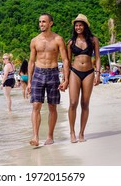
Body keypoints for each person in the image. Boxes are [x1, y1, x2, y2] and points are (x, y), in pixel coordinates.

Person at [27, 13, 70, 146]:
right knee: (36, 105)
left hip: (53, 73)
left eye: (44, 21)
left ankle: (50, 136)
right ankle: (35, 137)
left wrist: (66, 79)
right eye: (40, 22)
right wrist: (29, 81)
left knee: (52, 106)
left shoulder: (58, 39)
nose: (41, 24)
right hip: (38, 74)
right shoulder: (35, 41)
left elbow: (65, 60)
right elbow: (31, 62)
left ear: (50, 23)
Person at [67, 14, 101, 143]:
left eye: (80, 25)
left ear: (85, 26)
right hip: (74, 72)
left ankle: (81, 133)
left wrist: (98, 74)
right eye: (76, 25)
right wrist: (65, 78)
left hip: (89, 72)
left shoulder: (93, 40)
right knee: (73, 103)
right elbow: (67, 62)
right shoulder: (70, 42)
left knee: (85, 104)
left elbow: (97, 57)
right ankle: (72, 132)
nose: (78, 27)